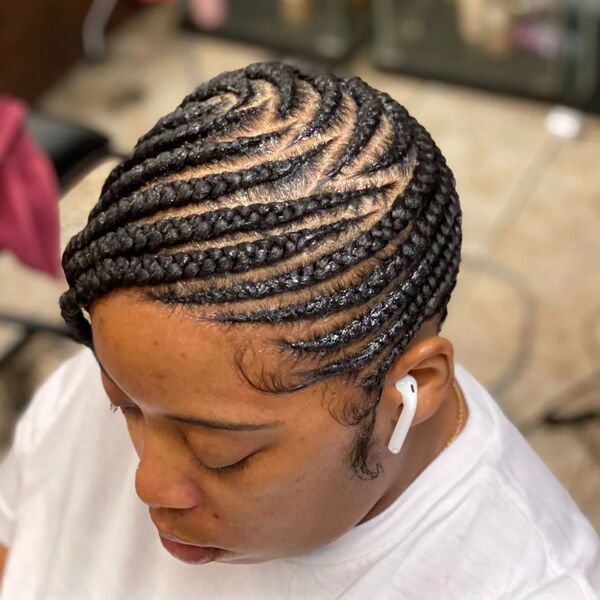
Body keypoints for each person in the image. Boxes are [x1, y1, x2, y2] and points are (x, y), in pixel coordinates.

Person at [0, 61, 598, 599]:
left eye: (222, 454)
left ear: (411, 388)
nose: (150, 485)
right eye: (119, 407)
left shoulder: (530, 583)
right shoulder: (155, 371)